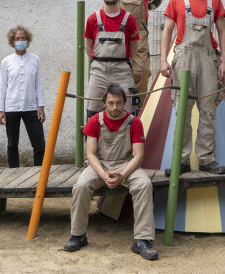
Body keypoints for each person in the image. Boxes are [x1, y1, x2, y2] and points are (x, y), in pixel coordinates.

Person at [64, 84, 157, 260]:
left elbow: (139, 155)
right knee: (81, 186)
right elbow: (90, 154)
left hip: (126, 164)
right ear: (104, 103)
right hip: (100, 164)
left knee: (144, 184)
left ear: (124, 103)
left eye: (119, 103)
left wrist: (123, 175)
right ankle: (78, 235)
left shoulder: (134, 122)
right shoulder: (94, 121)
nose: (115, 107)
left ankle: (142, 239)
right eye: (111, 103)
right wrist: (102, 173)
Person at [160, 0, 225, 176]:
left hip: (208, 59)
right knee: (183, 112)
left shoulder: (215, 1)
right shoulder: (177, 2)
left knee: (208, 110)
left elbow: (223, 33)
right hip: (184, 59)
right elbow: (167, 32)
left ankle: (207, 159)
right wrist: (163, 60)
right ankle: (181, 161)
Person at [111, 0, 183, 103]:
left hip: (139, 36)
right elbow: (106, 6)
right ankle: (119, 106)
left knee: (142, 72)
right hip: (118, 36)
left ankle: (139, 105)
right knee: (117, 73)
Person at [84, 0, 140, 119]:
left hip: (122, 72)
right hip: (99, 71)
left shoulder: (129, 19)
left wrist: (120, 60)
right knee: (92, 111)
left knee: (128, 111)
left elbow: (134, 46)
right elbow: (88, 46)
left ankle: (126, 140)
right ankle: (92, 141)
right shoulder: (93, 19)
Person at [0, 25, 46, 168]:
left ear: (27, 40)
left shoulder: (35, 60)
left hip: (31, 106)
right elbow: (2, 86)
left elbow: (39, 84)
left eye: (23, 38)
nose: (20, 40)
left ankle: (39, 173)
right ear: (12, 41)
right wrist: (0, 110)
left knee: (39, 144)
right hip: (11, 107)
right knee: (12, 144)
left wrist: (41, 106)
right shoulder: (6, 62)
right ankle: (13, 172)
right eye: (17, 38)